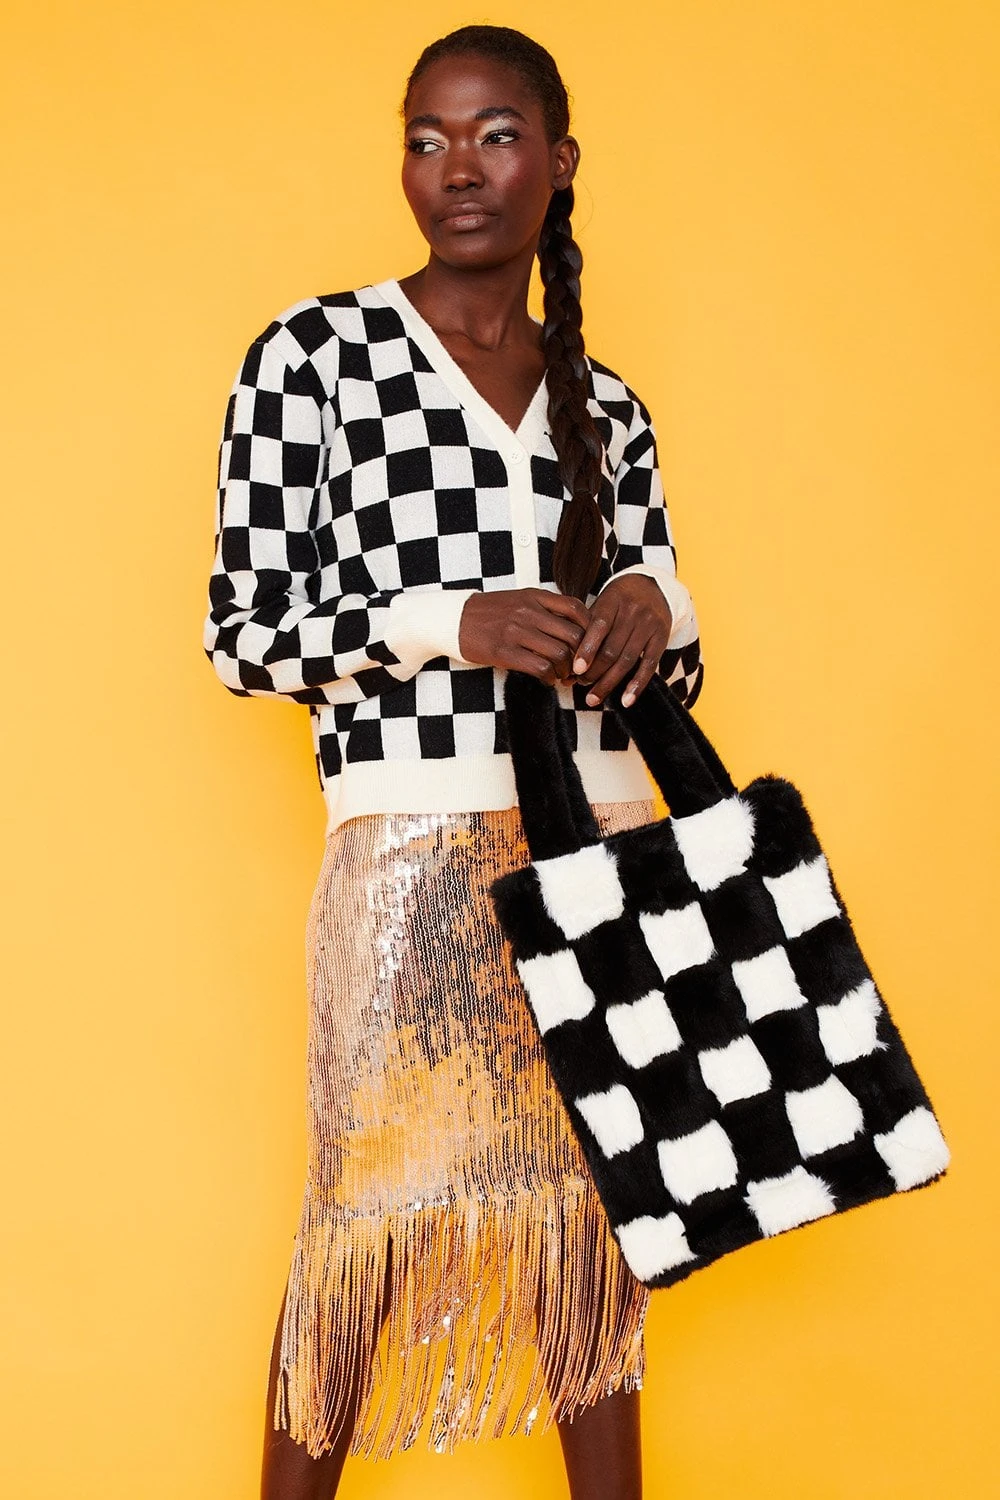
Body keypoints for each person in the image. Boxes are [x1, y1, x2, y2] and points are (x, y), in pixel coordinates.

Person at [203, 23, 704, 1500]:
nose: (458, 170)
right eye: (426, 139)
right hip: (409, 854)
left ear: (559, 160)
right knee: (362, 1225)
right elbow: (242, 635)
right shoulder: (314, 359)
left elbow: (673, 672)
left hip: (598, 851)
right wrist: (450, 621)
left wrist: (655, 605)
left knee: (593, 1227)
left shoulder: (607, 403)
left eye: (494, 135)